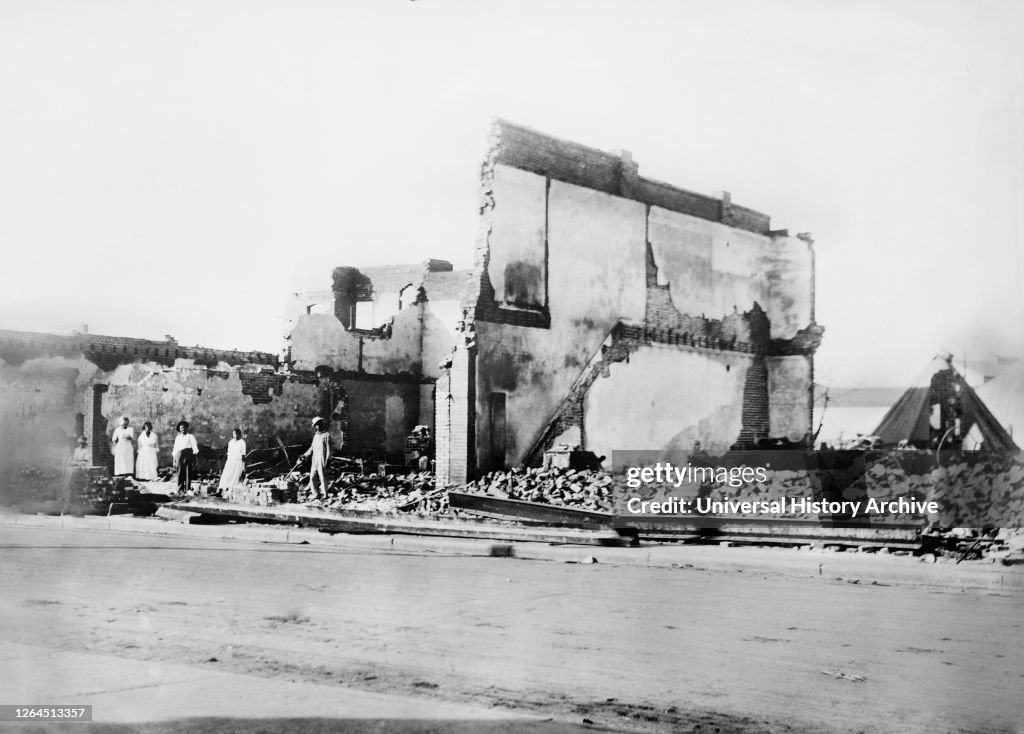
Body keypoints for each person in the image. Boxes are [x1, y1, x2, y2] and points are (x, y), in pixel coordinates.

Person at [302, 417, 330, 500]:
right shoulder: (316, 435)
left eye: (319, 424)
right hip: (315, 458)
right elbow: (312, 447)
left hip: (322, 457)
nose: (318, 426)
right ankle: (316, 495)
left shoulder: (326, 435)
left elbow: (329, 450)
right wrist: (304, 455)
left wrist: (327, 460)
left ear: (322, 424)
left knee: (322, 477)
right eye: (316, 425)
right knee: (312, 477)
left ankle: (325, 495)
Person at [172, 420, 199, 495]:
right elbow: (175, 449)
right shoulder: (177, 438)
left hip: (188, 454)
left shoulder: (190, 436)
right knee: (180, 472)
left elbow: (194, 447)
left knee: (188, 472)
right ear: (179, 429)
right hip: (179, 455)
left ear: (187, 428)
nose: (183, 429)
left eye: (184, 427)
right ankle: (180, 489)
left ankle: (188, 489)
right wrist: (174, 460)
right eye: (181, 428)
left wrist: (195, 458)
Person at [218, 428, 247, 493]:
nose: (235, 435)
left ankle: (230, 492)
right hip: (230, 461)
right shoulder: (230, 442)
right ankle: (220, 491)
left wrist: (243, 465)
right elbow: (229, 453)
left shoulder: (242, 442)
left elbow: (243, 455)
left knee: (235, 478)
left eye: (237, 433)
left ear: (240, 434)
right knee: (225, 476)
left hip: (238, 462)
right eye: (234, 434)